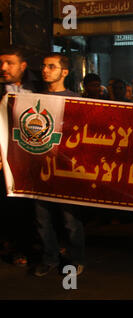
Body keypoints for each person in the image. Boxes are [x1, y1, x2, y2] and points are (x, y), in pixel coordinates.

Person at [34, 53, 85, 277]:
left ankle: (76, 259)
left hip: (66, 171)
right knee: (42, 218)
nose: (45, 70)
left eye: (51, 67)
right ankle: (50, 258)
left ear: (64, 72)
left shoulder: (76, 100)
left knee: (70, 220)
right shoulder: (33, 101)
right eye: (44, 66)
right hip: (40, 169)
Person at [0, 46, 40, 267]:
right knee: (8, 204)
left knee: (30, 204)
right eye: (1, 63)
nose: (3, 68)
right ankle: (13, 246)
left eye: (9, 63)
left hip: (31, 156)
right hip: (3, 157)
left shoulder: (38, 88)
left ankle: (33, 243)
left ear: (23, 66)